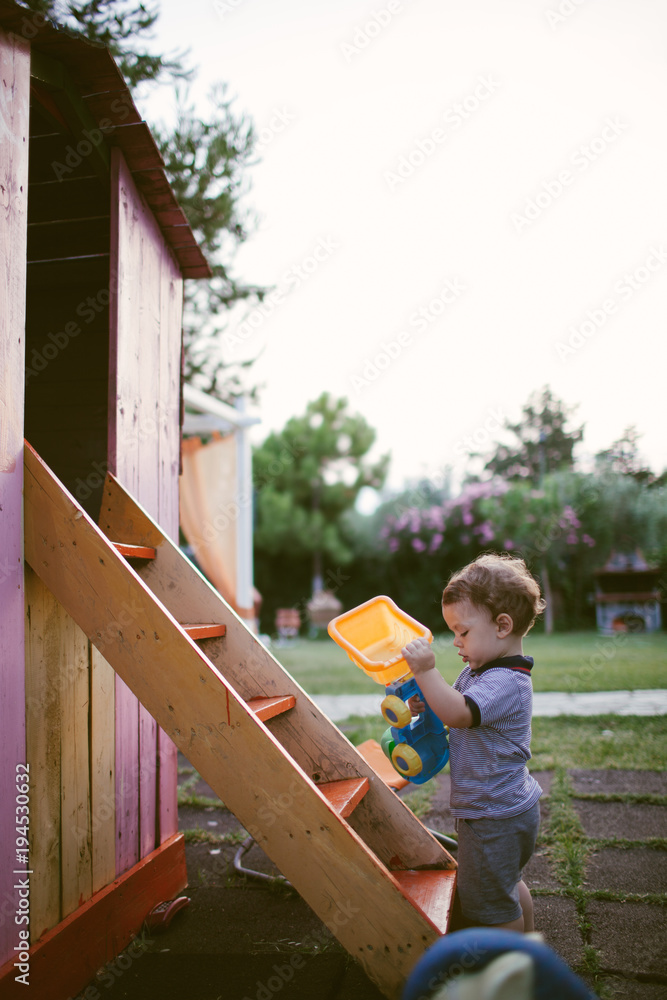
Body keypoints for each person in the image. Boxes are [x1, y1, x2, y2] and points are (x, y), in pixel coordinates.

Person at [401, 552, 546, 933]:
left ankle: (506, 977)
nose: (455, 641)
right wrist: (424, 698)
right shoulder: (481, 672)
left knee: (491, 907)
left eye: (463, 632)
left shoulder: (507, 682)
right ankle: (528, 947)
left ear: (502, 626)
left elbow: (459, 713)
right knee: (505, 887)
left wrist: (426, 670)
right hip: (504, 809)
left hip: (493, 815)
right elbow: (450, 705)